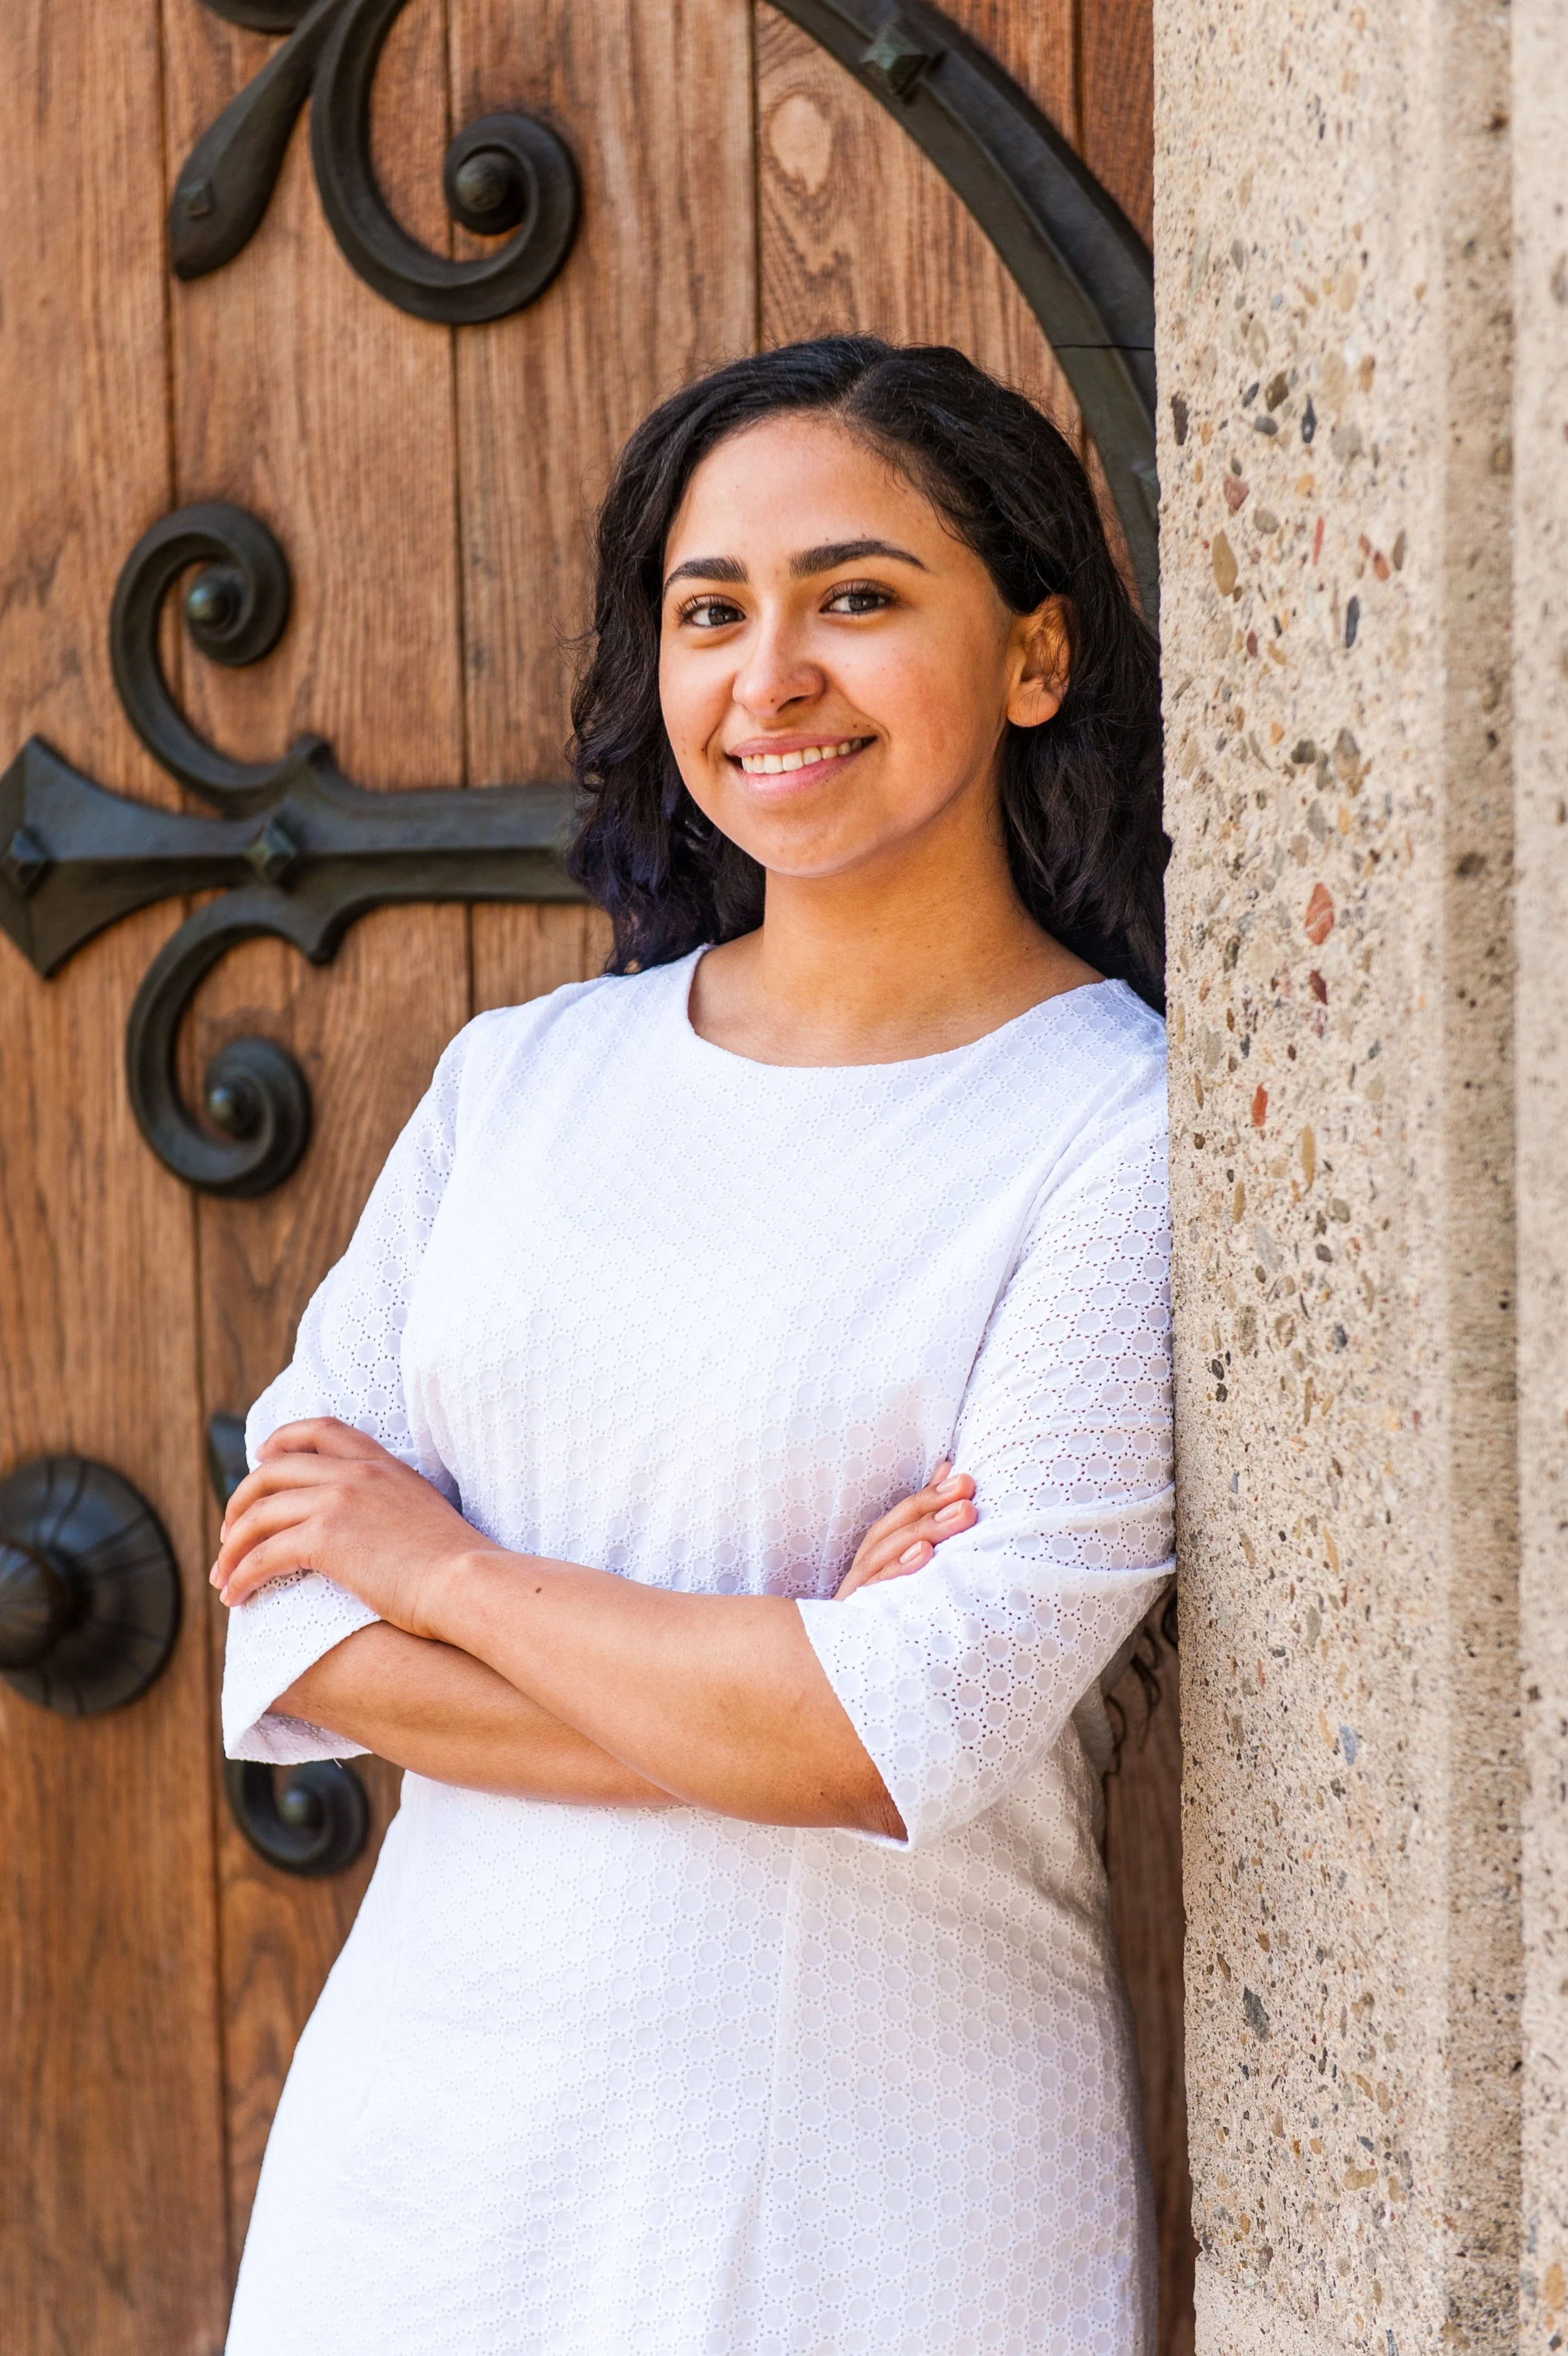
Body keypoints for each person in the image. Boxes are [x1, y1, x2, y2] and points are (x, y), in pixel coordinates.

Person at [215, 334, 1173, 2356]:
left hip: (877, 2182)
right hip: (431, 2154)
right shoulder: (517, 1083)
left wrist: (454, 1575)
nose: (769, 676)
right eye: (708, 611)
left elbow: (902, 1726)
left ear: (1031, 653)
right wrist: (778, 1677)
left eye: (856, 596)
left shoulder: (1116, 1129)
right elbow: (290, 1622)